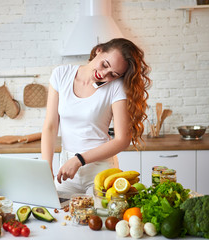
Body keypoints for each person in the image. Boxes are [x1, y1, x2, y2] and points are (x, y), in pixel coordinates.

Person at [41, 38, 151, 194]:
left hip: (101, 170)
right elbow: (50, 126)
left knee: (101, 217)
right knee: (61, 216)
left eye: (113, 74)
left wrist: (79, 160)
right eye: (105, 65)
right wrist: (46, 168)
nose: (104, 74)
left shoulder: (116, 87)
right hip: (66, 168)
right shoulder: (61, 75)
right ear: (98, 51)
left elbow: (122, 139)